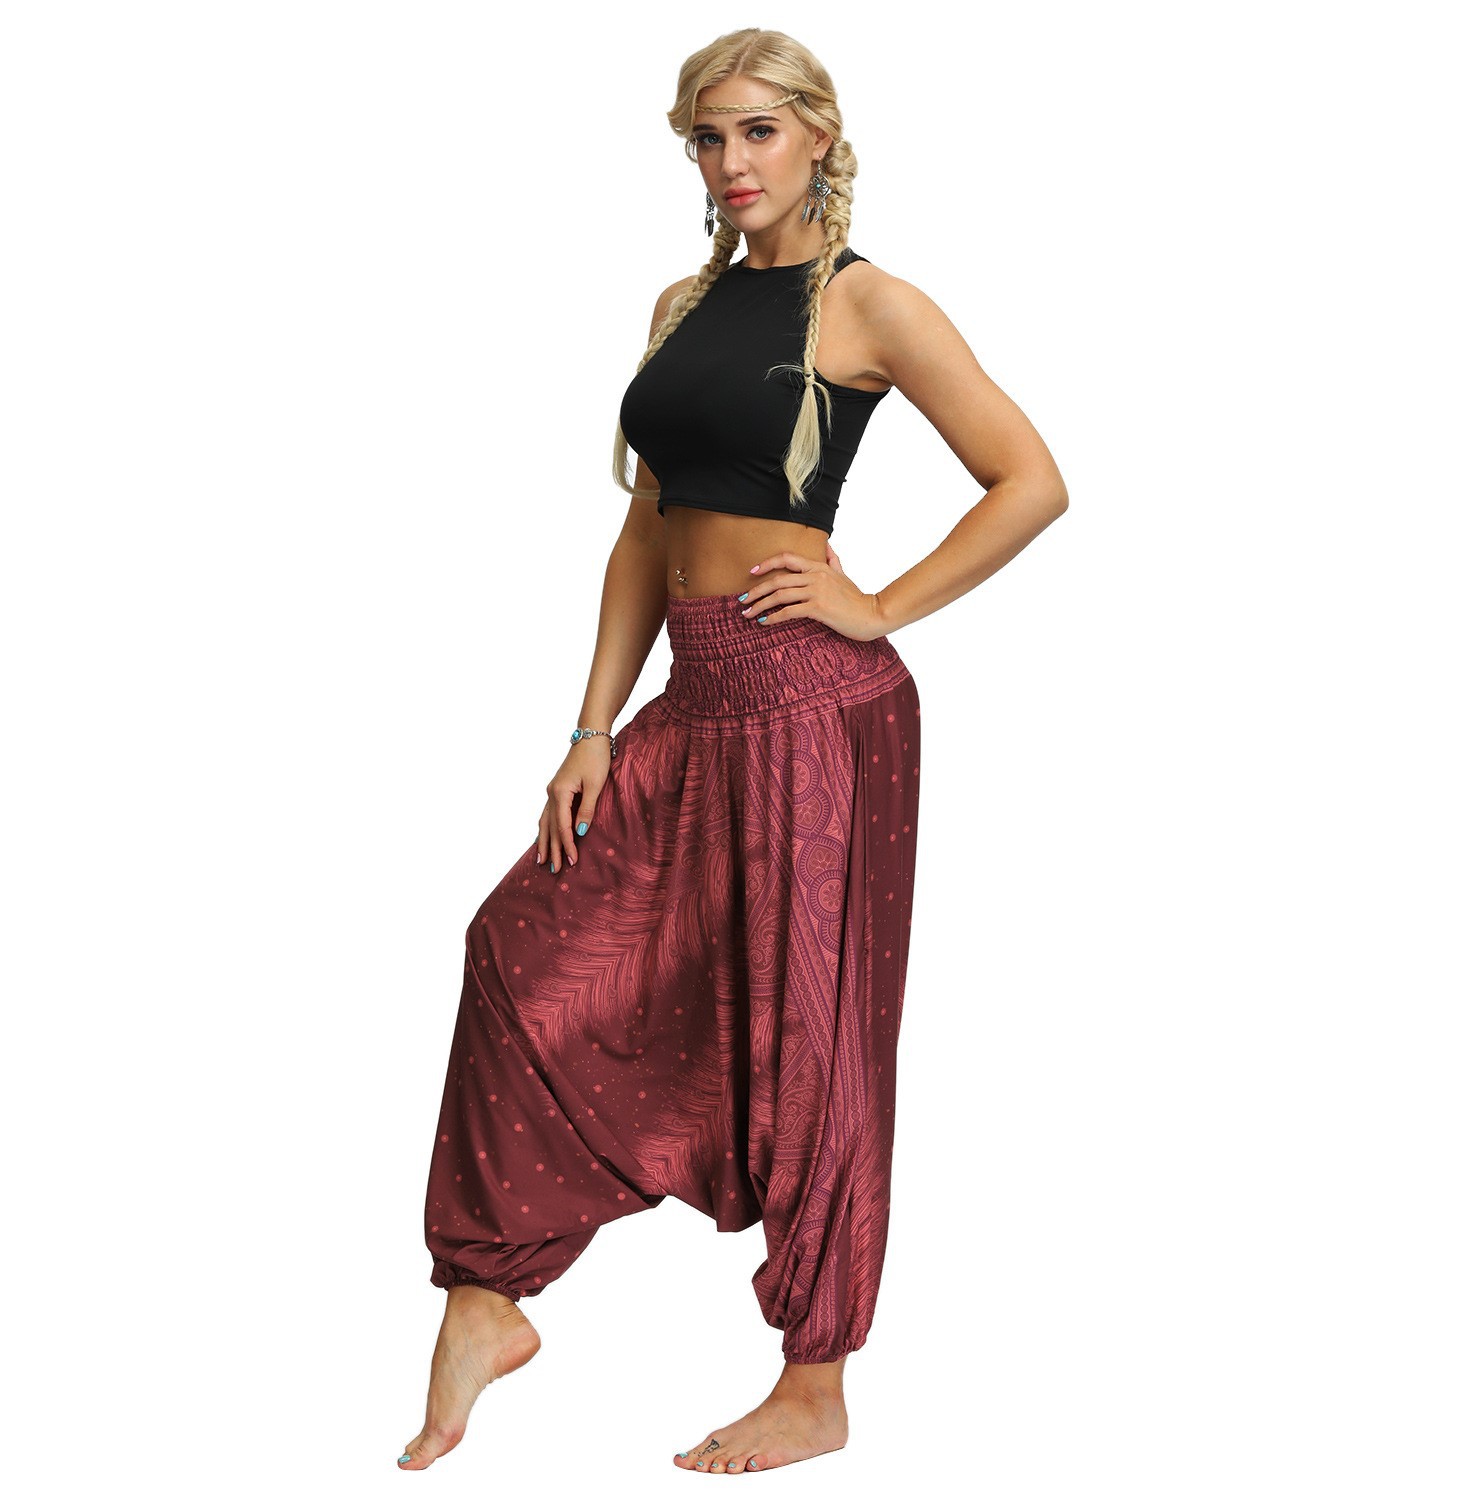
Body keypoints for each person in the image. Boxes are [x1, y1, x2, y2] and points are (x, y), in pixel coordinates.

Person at [398, 25, 1068, 1477]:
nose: (730, 161)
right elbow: (647, 529)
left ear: (821, 135)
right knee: (517, 948)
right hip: (693, 702)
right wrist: (592, 726)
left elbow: (1031, 481)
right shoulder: (683, 303)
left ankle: (815, 1385)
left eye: (758, 130)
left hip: (820, 707)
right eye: (707, 137)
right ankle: (486, 1298)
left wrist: (880, 604)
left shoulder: (872, 305)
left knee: (814, 1035)